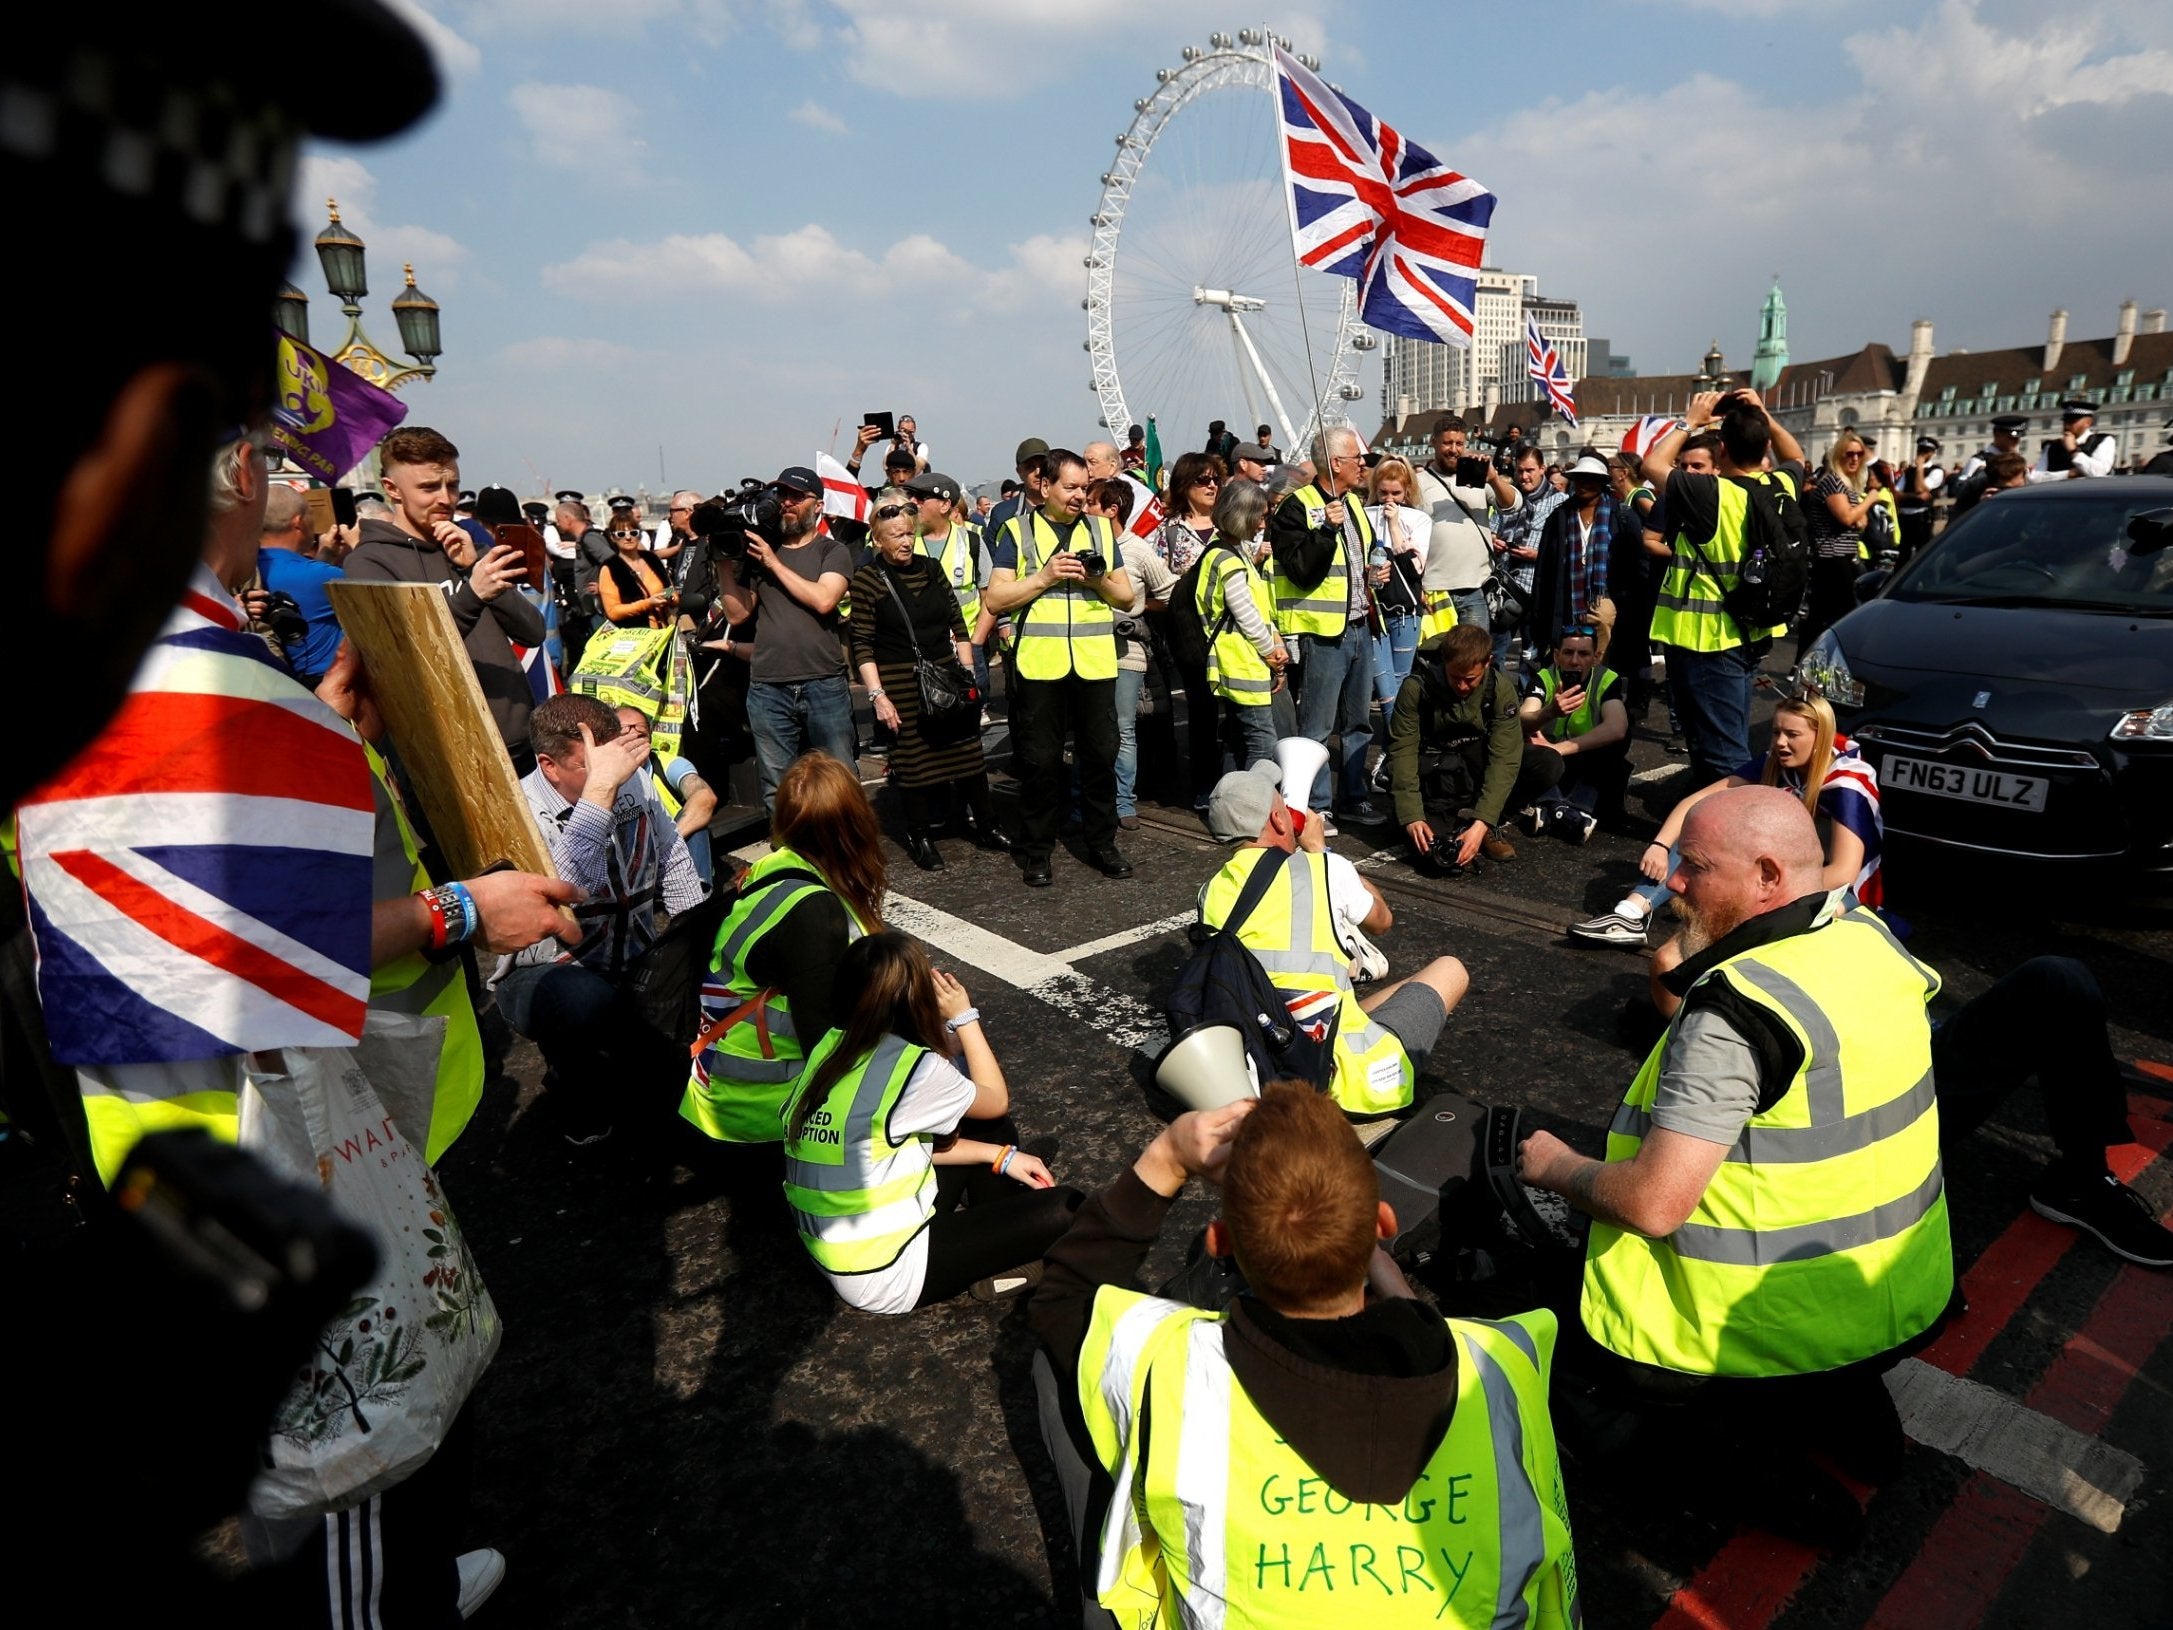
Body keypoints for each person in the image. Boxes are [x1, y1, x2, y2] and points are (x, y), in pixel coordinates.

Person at [1521, 786, 1952, 1547]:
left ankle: (1764, 1478)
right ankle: (1843, 1409)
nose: (1672, 884)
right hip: (1895, 1295)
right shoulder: (1869, 941)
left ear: (1763, 876)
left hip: (1757, 1324)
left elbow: (1655, 1205)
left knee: (1552, 1373)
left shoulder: (1736, 1012)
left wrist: (1557, 1165)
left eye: (1692, 868)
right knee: (1833, 1389)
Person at [1030, 1086, 1580, 1628]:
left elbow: (1063, 1299)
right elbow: (1434, 1341)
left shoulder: (1167, 1361)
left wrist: (1167, 1155)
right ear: (1383, 1225)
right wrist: (1370, 1257)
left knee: (1065, 1369)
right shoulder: (1503, 1360)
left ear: (1219, 1242)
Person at [783, 932, 1082, 1312]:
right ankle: (1010, 1254)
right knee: (1066, 1208)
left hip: (838, 1254)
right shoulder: (912, 1069)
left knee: (995, 1138)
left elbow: (886, 1151)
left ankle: (1004, 1215)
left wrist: (1002, 1157)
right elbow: (994, 1099)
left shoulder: (830, 1048)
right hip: (889, 1273)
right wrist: (964, 1016)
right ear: (916, 999)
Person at [1198, 763, 1468, 1119]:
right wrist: (1322, 851)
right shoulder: (1324, 869)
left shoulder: (1209, 892)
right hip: (1342, 1085)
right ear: (1280, 821)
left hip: (1266, 1059)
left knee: (1365, 989)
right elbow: (1382, 921)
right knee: (1451, 969)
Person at [498, 695, 703, 1145]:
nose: (613, 773)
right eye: (593, 765)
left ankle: (630, 1048)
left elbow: (673, 857)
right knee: (585, 1004)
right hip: (552, 971)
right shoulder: (518, 813)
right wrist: (599, 796)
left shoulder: (629, 777)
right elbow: (568, 892)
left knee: (673, 1083)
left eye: (613, 761)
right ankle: (572, 1079)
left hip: (633, 958)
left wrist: (696, 938)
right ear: (550, 766)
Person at [1572, 690, 1881, 956]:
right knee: (1705, 835)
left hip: (1835, 890)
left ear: (1820, 737)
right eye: (1776, 732)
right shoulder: (1774, 762)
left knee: (1784, 934)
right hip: (1773, 873)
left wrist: (1764, 895)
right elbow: (1697, 803)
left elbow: (1843, 872)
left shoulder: (1846, 783)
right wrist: (1659, 845)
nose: (1781, 743)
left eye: (1792, 735)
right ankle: (1629, 915)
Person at [682, 753, 886, 1145]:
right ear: (857, 825)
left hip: (721, 1099)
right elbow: (826, 1045)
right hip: (765, 1118)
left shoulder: (775, 868)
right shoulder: (812, 910)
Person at [344, 424, 547, 768]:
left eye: (452, 485)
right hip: (453, 758)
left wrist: (473, 567)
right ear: (392, 489)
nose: (446, 498)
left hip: (521, 742)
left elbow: (532, 630)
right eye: (428, 487)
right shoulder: (369, 562)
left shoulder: (469, 549)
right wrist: (473, 594)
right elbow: (404, 656)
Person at [983, 447, 1136, 887]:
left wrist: (1099, 580)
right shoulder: (1016, 530)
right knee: (1040, 762)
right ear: (1044, 485)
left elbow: (1127, 598)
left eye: (1084, 488)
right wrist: (1045, 577)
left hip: (1094, 663)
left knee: (1101, 757)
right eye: (1070, 488)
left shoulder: (1102, 530)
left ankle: (1102, 843)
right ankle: (1037, 851)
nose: (1079, 496)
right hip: (1040, 665)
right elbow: (995, 600)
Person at [1640, 388, 1807, 786]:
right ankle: (1706, 817)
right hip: (1750, 629)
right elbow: (1796, 456)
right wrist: (1763, 413)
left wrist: (1689, 421)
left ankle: (1738, 830)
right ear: (1764, 445)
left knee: (1724, 753)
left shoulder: (1713, 493)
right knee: (1714, 739)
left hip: (1706, 641)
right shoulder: (1779, 486)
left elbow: (1652, 464)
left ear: (1723, 449)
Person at [851, 495, 1006, 870]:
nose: (905, 542)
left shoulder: (932, 568)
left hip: (945, 674)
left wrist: (967, 672)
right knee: (914, 765)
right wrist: (878, 697)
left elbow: (958, 623)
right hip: (900, 683)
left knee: (968, 755)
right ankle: (920, 837)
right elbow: (862, 645)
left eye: (908, 534)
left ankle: (986, 825)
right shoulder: (868, 580)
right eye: (895, 536)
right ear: (878, 539)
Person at [712, 466, 858, 810]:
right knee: (778, 786)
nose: (786, 503)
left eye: (796, 496)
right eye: (781, 495)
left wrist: (773, 563)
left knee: (839, 777)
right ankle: (788, 855)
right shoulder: (760, 552)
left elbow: (824, 600)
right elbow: (737, 613)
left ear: (817, 505)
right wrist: (723, 561)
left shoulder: (831, 551)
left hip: (824, 681)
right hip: (768, 687)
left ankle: (849, 851)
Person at [1267, 426, 1380, 828]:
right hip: (1323, 631)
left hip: (1358, 625)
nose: (1363, 465)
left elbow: (1353, 564)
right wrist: (1326, 531)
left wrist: (1372, 575)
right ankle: (1317, 806)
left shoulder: (1353, 503)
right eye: (1357, 459)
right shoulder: (1296, 507)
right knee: (1316, 725)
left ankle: (1354, 796)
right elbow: (1299, 570)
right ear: (1336, 464)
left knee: (1359, 721)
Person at [1387, 623, 1566, 869]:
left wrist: (1482, 822)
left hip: (1475, 768)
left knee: (1547, 763)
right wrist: (1411, 816)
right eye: (1455, 678)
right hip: (1435, 779)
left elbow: (1505, 760)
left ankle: (1485, 824)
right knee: (1437, 860)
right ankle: (1452, 823)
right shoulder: (1416, 688)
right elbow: (1402, 754)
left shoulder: (1500, 689)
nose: (1462, 686)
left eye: (1470, 679)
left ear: (1488, 662)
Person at [1086, 476, 1177, 830]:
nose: (1084, 506)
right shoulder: (1082, 544)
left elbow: (1171, 592)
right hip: (1087, 650)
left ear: (1112, 509)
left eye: (1092, 502)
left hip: (1126, 654)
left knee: (1124, 728)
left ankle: (1124, 802)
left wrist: (1136, 607)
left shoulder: (1136, 548)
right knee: (1090, 729)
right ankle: (1088, 800)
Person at [1192, 477, 1289, 774]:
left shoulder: (1225, 551)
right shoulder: (1229, 558)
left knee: (1238, 739)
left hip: (1238, 660)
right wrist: (1271, 651)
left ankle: (1231, 803)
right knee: (1261, 742)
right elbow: (1246, 613)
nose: (1262, 525)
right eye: (1259, 517)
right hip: (1243, 661)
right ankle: (1255, 810)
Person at [1155, 451, 1229, 809]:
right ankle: (1204, 783)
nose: (1212, 485)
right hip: (1190, 635)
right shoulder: (1167, 533)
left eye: (1215, 478)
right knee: (1201, 711)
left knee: (1237, 712)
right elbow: (1156, 583)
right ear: (1184, 486)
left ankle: (1237, 781)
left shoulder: (1231, 525)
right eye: (1203, 480)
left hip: (1233, 633)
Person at [1415, 415, 1524, 639]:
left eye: (1459, 444)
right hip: (1435, 589)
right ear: (1433, 442)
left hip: (1475, 587)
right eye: (1447, 443)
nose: (1453, 449)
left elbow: (1513, 504)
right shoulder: (1418, 483)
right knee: (1436, 659)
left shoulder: (1480, 477)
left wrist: (1493, 479)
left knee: (1473, 658)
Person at [1517, 625, 1629, 843]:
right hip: (1550, 762)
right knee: (1521, 738)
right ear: (1557, 655)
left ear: (1596, 658)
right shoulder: (1544, 677)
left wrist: (1558, 749)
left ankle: (1553, 809)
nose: (1575, 661)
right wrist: (1548, 713)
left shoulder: (1606, 679)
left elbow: (1618, 727)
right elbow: (1523, 717)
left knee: (1619, 743)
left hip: (1586, 758)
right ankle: (1568, 813)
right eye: (1568, 653)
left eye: (1584, 654)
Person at [1526, 451, 1623, 663]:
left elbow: (1633, 564)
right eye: (1579, 479)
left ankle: (1596, 678)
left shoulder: (1620, 516)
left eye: (1590, 479)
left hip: (1605, 594)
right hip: (1566, 598)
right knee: (1568, 659)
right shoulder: (1559, 517)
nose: (1583, 485)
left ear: (1601, 482)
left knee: (1599, 652)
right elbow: (1544, 567)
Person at [615, 701, 719, 894]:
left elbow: (705, 797)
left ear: (650, 738)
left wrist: (664, 844)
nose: (635, 742)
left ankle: (699, 897)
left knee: (696, 822)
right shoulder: (601, 775)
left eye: (640, 736)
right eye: (625, 737)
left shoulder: (667, 763)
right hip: (631, 865)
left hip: (670, 851)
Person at [1365, 458, 1431, 748]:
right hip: (1373, 611)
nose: (1389, 500)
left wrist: (1394, 526)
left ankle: (1396, 752)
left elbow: (1413, 568)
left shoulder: (1418, 519)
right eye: (1383, 494)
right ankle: (1401, 747)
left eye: (1396, 494)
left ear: (1407, 492)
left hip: (1405, 612)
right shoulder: (1365, 515)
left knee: (1401, 680)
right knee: (1384, 685)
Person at [911, 471, 994, 700]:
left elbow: (989, 597)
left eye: (920, 498)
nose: (913, 503)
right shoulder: (906, 542)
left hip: (966, 645)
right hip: (922, 648)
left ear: (945, 505)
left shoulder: (971, 540)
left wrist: (976, 641)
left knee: (970, 707)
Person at [255, 484, 346, 688]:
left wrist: (326, 555)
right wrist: (359, 546)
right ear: (299, 522)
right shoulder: (326, 577)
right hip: (328, 688)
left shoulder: (246, 572)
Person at [1485, 444, 1562, 670]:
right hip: (1505, 587)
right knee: (1495, 651)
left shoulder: (1559, 502)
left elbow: (1563, 549)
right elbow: (1492, 528)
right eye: (1520, 471)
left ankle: (1531, 702)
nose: (1524, 476)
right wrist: (1493, 540)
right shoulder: (1507, 497)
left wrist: (1537, 555)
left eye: (1529, 470)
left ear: (1542, 469)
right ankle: (1495, 698)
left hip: (1537, 587)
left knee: (1532, 655)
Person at [1798, 430, 1875, 656]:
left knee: (1822, 613)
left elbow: (1861, 521)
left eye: (1859, 454)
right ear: (1838, 455)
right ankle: (1825, 661)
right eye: (1849, 454)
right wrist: (1870, 499)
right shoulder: (1832, 482)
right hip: (1831, 557)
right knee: (1842, 613)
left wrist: (1857, 514)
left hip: (1843, 556)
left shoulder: (1847, 485)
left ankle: (1806, 662)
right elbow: (1849, 518)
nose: (1854, 459)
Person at [597, 507, 679, 628]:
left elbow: (669, 588)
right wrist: (648, 603)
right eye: (621, 534)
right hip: (635, 636)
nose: (628, 537)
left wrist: (669, 597)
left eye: (633, 532)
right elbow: (613, 612)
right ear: (613, 538)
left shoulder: (652, 559)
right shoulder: (610, 568)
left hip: (665, 631)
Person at [1948, 412, 2029, 519]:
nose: (2016, 441)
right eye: (2011, 437)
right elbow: (1961, 490)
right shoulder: (1979, 461)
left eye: (2018, 438)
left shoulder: (2018, 461)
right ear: (1997, 434)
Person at [2030, 397, 2116, 481]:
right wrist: (2068, 474)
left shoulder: (2103, 441)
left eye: (2072, 422)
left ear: (2088, 423)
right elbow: (2035, 478)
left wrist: (2073, 451)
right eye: (2065, 421)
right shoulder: (2051, 447)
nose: (2066, 425)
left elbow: (2098, 473)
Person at [1896, 436, 1945, 561]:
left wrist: (1919, 468)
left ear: (1933, 453)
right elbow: (1896, 493)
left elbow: (1920, 488)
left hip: (1922, 517)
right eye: (1920, 450)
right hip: (1904, 515)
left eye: (1925, 451)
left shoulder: (1936, 471)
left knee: (1921, 553)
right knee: (1903, 554)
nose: (1921, 454)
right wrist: (1913, 496)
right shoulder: (1908, 471)